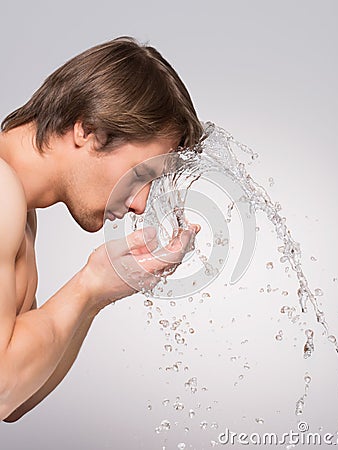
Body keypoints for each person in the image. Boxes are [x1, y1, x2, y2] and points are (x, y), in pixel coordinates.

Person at [0, 36, 202, 422]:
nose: (141, 203)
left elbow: (20, 395)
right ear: (89, 130)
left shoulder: (22, 214)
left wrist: (97, 295)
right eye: (143, 173)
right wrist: (87, 284)